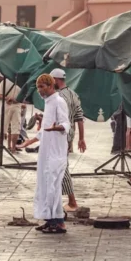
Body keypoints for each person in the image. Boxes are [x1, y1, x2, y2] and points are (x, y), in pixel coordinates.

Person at [18, 74, 70, 234]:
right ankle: (50, 220)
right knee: (45, 186)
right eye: (38, 87)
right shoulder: (48, 103)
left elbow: (66, 123)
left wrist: (57, 128)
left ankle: (58, 223)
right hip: (45, 153)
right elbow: (43, 131)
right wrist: (28, 142)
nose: (39, 90)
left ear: (50, 86)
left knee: (53, 187)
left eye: (42, 87)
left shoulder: (59, 102)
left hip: (55, 153)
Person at [50, 68, 86, 212]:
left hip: (59, 136)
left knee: (61, 167)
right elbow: (79, 117)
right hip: (69, 135)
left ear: (55, 80)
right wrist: (81, 138)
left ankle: (72, 201)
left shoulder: (58, 97)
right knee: (61, 166)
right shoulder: (73, 94)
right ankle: (63, 200)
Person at [0, 73, 22, 153]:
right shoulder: (21, 82)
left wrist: (7, 98)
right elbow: (24, 97)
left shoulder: (5, 81)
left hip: (6, 106)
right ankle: (13, 148)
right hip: (17, 106)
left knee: (2, 127)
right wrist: (15, 100)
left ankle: (0, 147)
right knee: (15, 129)